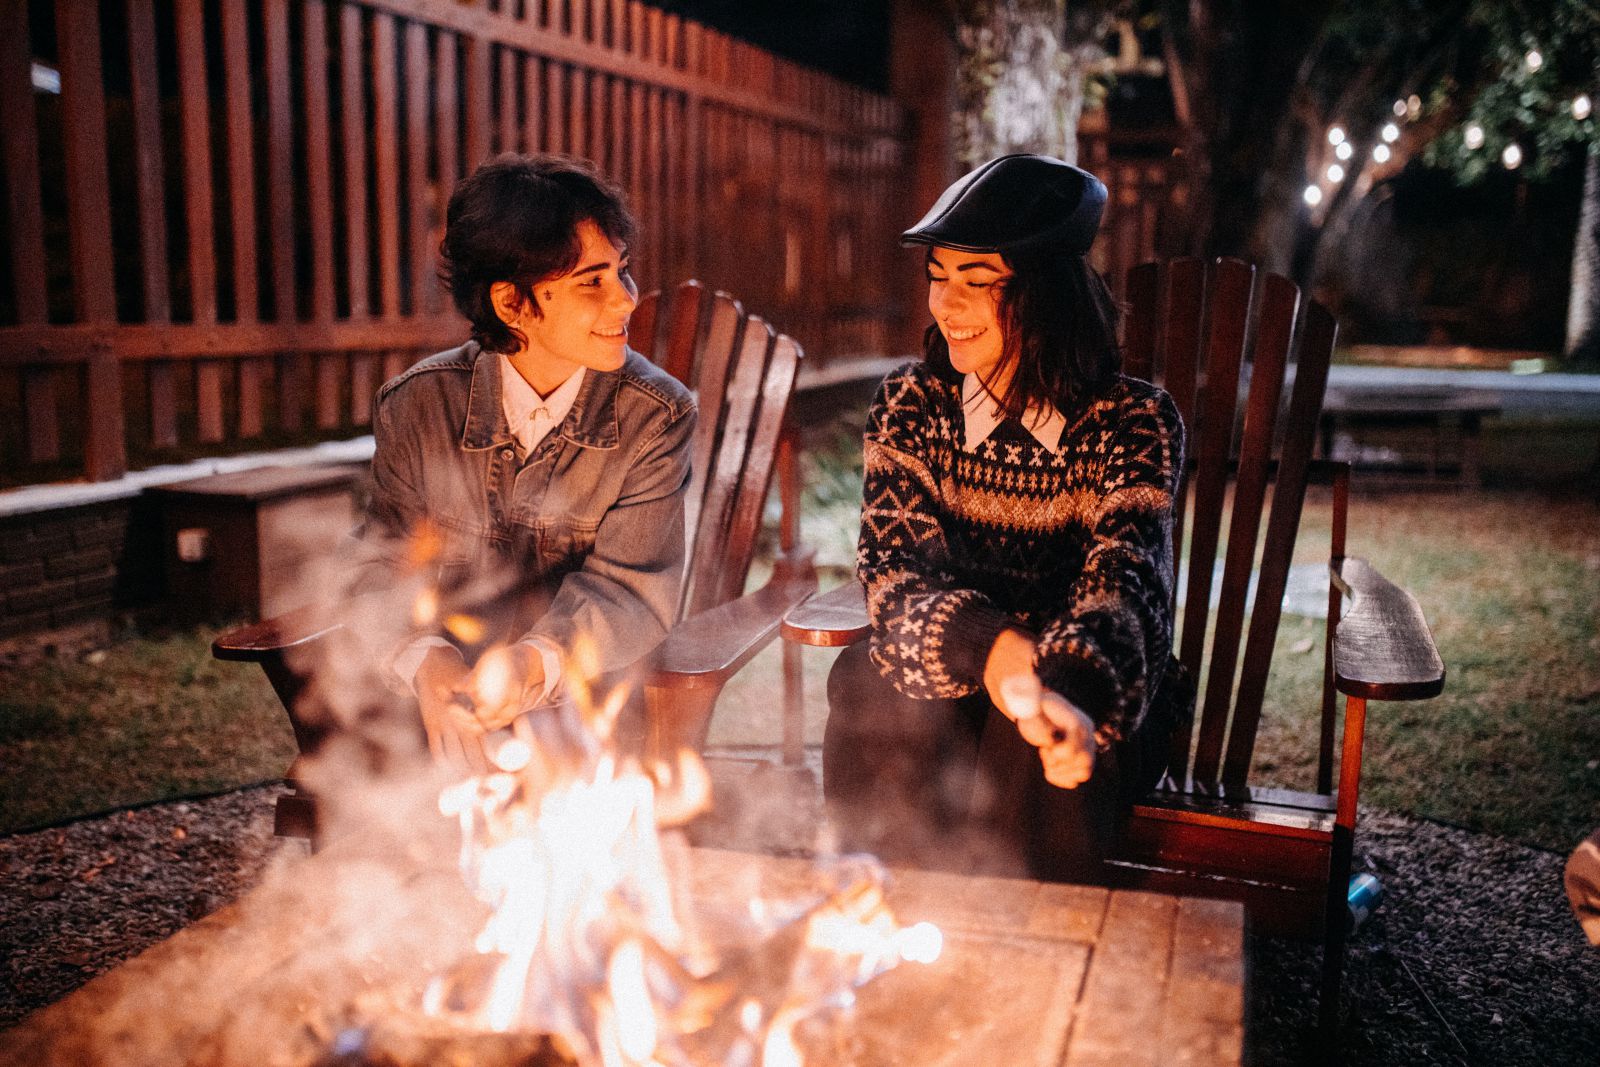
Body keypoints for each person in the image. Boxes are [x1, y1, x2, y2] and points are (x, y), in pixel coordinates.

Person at [823, 153, 1191, 882]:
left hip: (1084, 697)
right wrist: (992, 651)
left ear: (1046, 295)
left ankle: (1025, 958)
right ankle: (874, 922)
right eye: (938, 278)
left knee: (1030, 728)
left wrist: (1065, 691)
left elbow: (1128, 581)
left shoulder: (1135, 420)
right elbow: (894, 577)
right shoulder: (912, 403)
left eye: (977, 282)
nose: (946, 305)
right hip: (954, 677)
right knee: (868, 683)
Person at [355, 153, 695, 771]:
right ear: (512, 305)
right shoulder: (417, 408)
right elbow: (379, 566)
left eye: (623, 273)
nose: (625, 301)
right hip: (438, 718)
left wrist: (532, 664)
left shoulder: (656, 415)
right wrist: (426, 659)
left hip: (593, 716)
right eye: (591, 282)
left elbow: (631, 591)